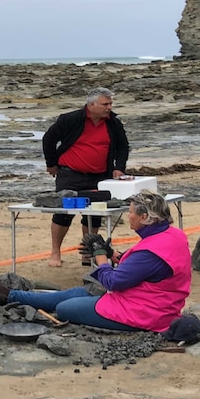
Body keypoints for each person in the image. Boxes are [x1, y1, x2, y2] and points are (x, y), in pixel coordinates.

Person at [0, 191, 191, 332]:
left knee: (65, 308)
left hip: (142, 312)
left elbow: (113, 281)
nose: (128, 216)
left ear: (144, 216)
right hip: (149, 301)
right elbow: (143, 270)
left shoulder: (150, 251)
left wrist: (99, 255)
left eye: (131, 212)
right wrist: (112, 254)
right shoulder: (172, 235)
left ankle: (9, 296)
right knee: (74, 293)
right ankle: (9, 295)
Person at [42, 87, 130, 267]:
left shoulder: (113, 123)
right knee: (63, 214)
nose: (109, 108)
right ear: (91, 105)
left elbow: (123, 146)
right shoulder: (70, 119)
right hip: (69, 173)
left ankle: (88, 251)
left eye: (110, 104)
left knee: (94, 214)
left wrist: (119, 168)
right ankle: (55, 252)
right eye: (105, 104)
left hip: (100, 176)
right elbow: (49, 139)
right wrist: (51, 163)